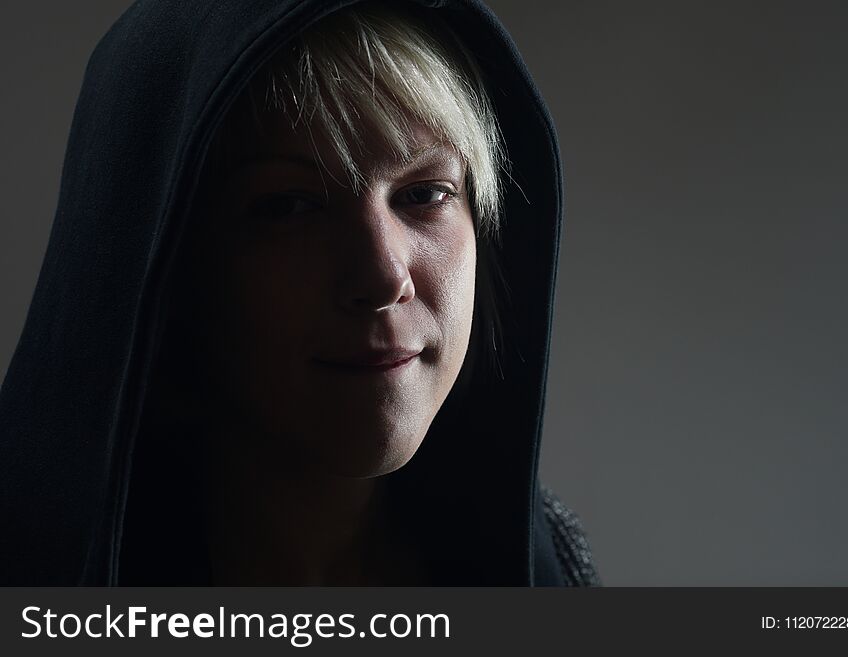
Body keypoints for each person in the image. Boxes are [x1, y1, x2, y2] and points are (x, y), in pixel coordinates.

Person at [0, 0, 600, 586]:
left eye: (425, 193)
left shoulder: (550, 567)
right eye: (290, 206)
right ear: (165, 258)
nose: (384, 276)